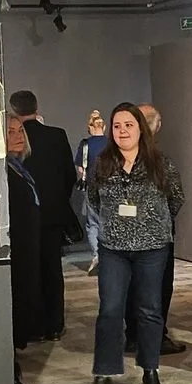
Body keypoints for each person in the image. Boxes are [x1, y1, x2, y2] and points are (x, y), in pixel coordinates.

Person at [89, 102, 185, 384]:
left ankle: (150, 370)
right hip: (113, 248)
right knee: (110, 310)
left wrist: (153, 223)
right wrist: (116, 225)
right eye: (117, 126)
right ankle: (104, 374)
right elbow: (93, 198)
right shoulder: (102, 163)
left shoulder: (160, 163)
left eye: (128, 125)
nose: (122, 131)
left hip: (152, 248)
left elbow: (176, 199)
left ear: (140, 129)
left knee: (150, 309)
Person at [11, 91, 75, 342]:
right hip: (52, 213)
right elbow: (69, 175)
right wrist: (59, 200)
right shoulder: (57, 135)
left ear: (14, 109)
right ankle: (54, 324)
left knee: (29, 271)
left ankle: (34, 325)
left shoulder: (14, 143)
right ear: (36, 107)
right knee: (52, 270)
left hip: (23, 217)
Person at [3, 114, 47, 384]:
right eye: (10, 131)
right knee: (14, 310)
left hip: (28, 251)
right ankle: (11, 379)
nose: (18, 136)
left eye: (20, 130)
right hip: (15, 254)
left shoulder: (19, 168)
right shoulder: (3, 171)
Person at [138, 102, 186, 356]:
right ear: (157, 127)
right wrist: (163, 220)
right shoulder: (161, 162)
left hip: (127, 240)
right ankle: (156, 336)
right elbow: (176, 197)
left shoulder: (117, 160)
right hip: (158, 238)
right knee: (159, 287)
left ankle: (134, 334)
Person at [75, 109, 107, 274]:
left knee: (93, 223)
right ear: (104, 127)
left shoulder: (85, 144)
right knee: (108, 221)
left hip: (91, 187)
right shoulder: (111, 144)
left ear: (89, 128)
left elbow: (81, 169)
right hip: (109, 187)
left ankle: (97, 254)